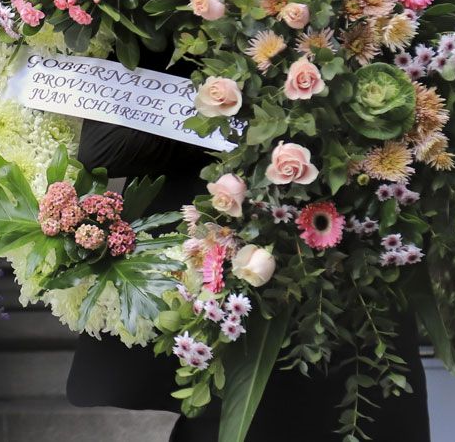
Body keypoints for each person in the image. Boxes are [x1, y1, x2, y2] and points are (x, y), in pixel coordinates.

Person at [66, 51, 431, 441]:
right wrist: (237, 110)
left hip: (351, 290)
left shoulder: (385, 39)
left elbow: (421, 139)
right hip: (231, 306)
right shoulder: (182, 21)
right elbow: (102, 149)